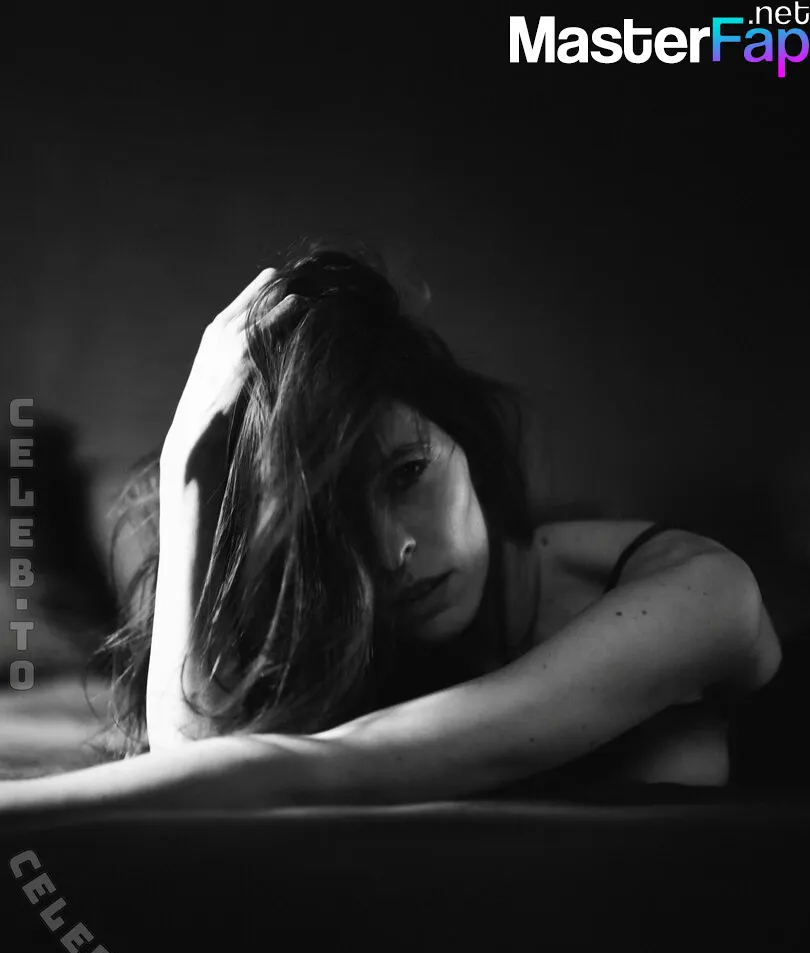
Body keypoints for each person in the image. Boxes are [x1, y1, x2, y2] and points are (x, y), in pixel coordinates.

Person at [0, 246, 783, 820]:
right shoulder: (353, 632)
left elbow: (314, 769)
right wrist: (188, 466)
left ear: (467, 443)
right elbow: (200, 757)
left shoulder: (696, 591)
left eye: (408, 474)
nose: (389, 551)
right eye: (338, 517)